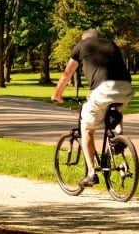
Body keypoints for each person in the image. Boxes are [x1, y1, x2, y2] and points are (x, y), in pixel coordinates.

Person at [52, 28, 134, 187]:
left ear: (84, 38)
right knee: (115, 109)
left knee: (87, 128)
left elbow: (67, 74)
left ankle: (91, 173)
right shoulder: (111, 44)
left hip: (103, 89)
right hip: (125, 87)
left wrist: (57, 95)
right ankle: (119, 137)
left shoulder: (81, 45)